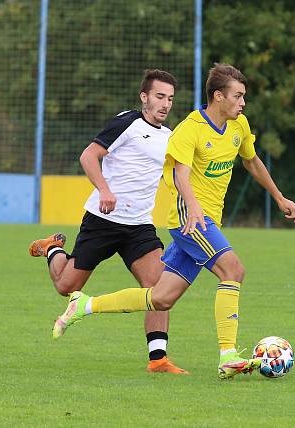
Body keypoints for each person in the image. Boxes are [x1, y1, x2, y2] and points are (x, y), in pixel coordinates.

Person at [51, 63, 295, 379]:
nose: (243, 103)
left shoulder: (238, 127)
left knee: (161, 296)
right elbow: (179, 173)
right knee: (233, 270)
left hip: (188, 221)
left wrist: (279, 197)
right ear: (219, 96)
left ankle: (84, 306)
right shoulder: (188, 129)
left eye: (243, 97)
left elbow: (251, 161)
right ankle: (228, 355)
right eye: (238, 96)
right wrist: (194, 208)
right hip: (188, 219)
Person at [29, 69, 188, 374]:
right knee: (66, 287)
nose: (165, 104)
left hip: (139, 227)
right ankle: (52, 248)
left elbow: (178, 177)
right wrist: (104, 189)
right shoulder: (127, 122)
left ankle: (158, 360)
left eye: (170, 98)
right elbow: (89, 155)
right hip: (103, 220)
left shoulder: (169, 137)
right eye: (159, 96)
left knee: (158, 289)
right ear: (144, 97)